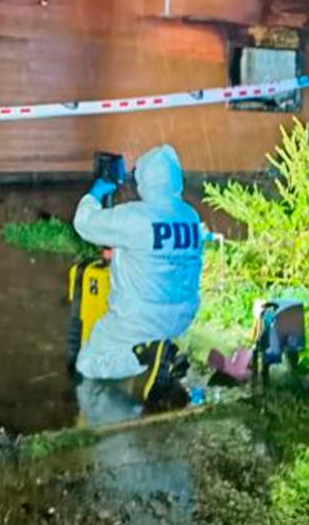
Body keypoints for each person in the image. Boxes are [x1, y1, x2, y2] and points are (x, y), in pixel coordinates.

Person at [71, 145, 203, 422]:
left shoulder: (136, 216)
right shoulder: (189, 216)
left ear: (147, 181)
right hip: (182, 316)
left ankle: (145, 359)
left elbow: (84, 223)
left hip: (140, 317)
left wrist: (96, 192)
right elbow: (159, 254)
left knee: (89, 363)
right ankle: (166, 355)